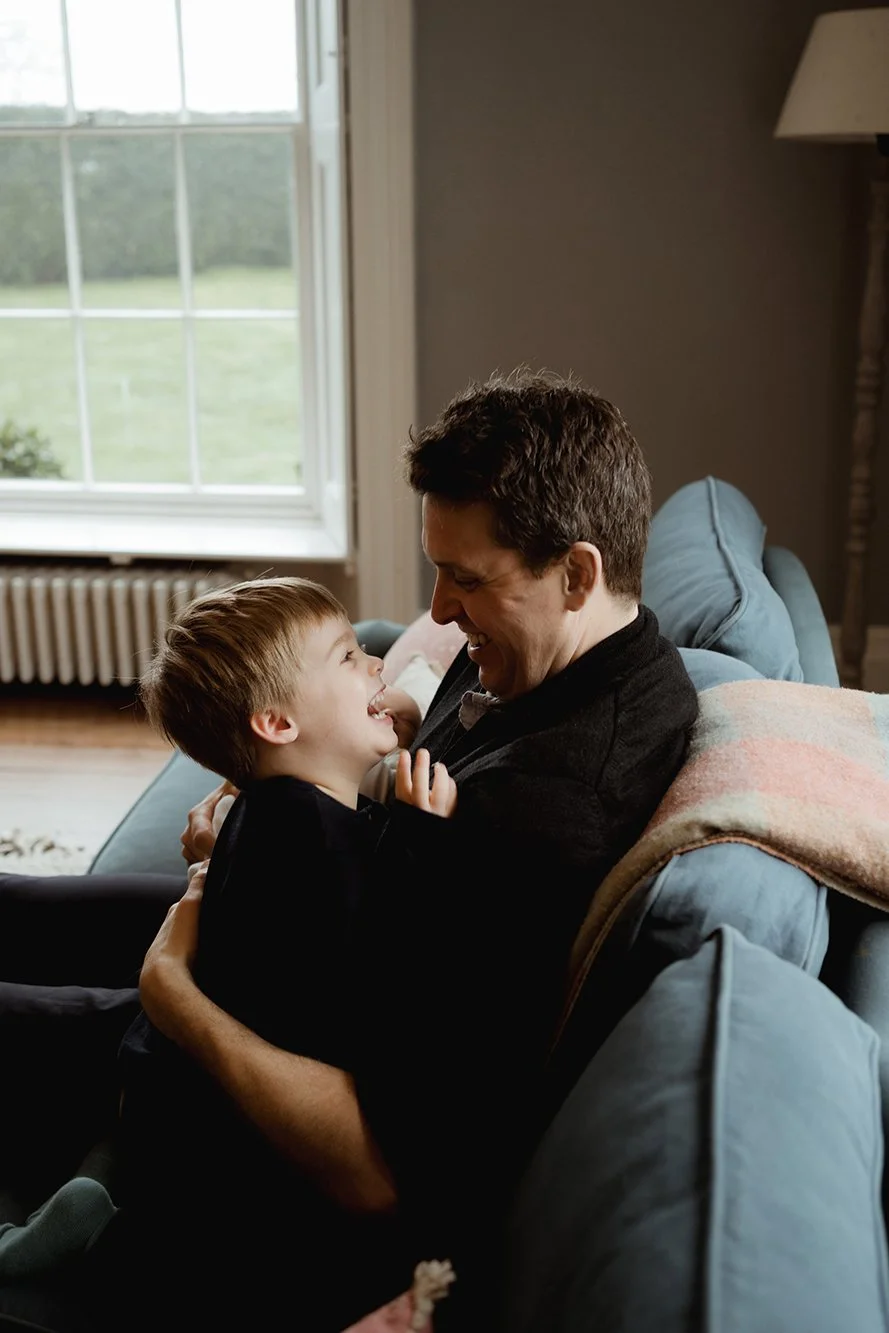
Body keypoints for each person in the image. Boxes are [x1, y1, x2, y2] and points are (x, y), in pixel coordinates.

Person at [0, 368, 698, 1331]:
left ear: (576, 571)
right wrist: (381, 715)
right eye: (436, 570)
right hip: (298, 893)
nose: (442, 610)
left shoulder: (544, 816)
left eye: (466, 578)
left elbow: (380, 1172)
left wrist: (177, 995)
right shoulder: (563, 652)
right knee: (20, 904)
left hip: (254, 1012)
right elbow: (413, 673)